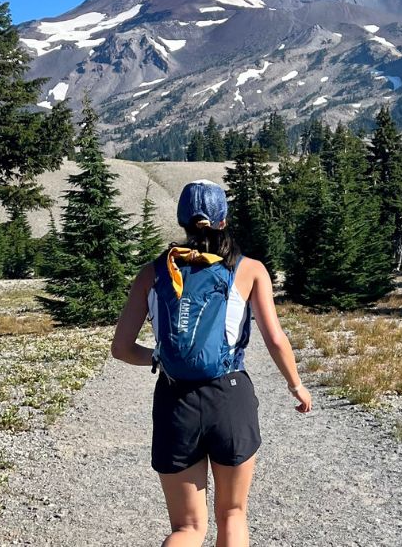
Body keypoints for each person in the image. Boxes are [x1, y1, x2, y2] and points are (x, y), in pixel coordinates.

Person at [111, 179, 312, 547]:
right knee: (232, 514)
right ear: (223, 220)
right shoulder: (249, 270)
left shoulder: (152, 273)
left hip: (175, 402)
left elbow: (121, 349)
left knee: (187, 528)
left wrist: (160, 357)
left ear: (182, 221)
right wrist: (295, 384)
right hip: (229, 396)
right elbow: (275, 339)